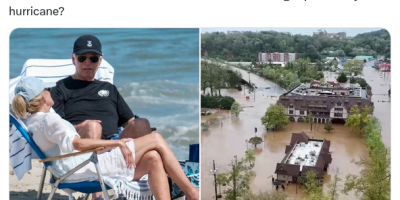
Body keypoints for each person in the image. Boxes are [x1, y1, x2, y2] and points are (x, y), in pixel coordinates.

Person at [12, 76, 199, 200]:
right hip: (86, 167)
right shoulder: (49, 119)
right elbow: (77, 144)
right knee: (156, 139)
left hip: (72, 168)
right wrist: (116, 142)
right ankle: (191, 192)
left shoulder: (32, 121)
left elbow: (61, 138)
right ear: (43, 98)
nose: (51, 90)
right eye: (47, 89)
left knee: (153, 158)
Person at [50, 35, 150, 140]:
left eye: (93, 58)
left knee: (142, 124)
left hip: (116, 145)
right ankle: (98, 154)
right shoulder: (60, 89)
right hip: (83, 147)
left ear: (100, 60)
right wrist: (80, 127)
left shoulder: (110, 89)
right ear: (73, 59)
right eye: (82, 58)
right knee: (93, 127)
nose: (88, 62)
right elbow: (56, 130)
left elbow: (130, 122)